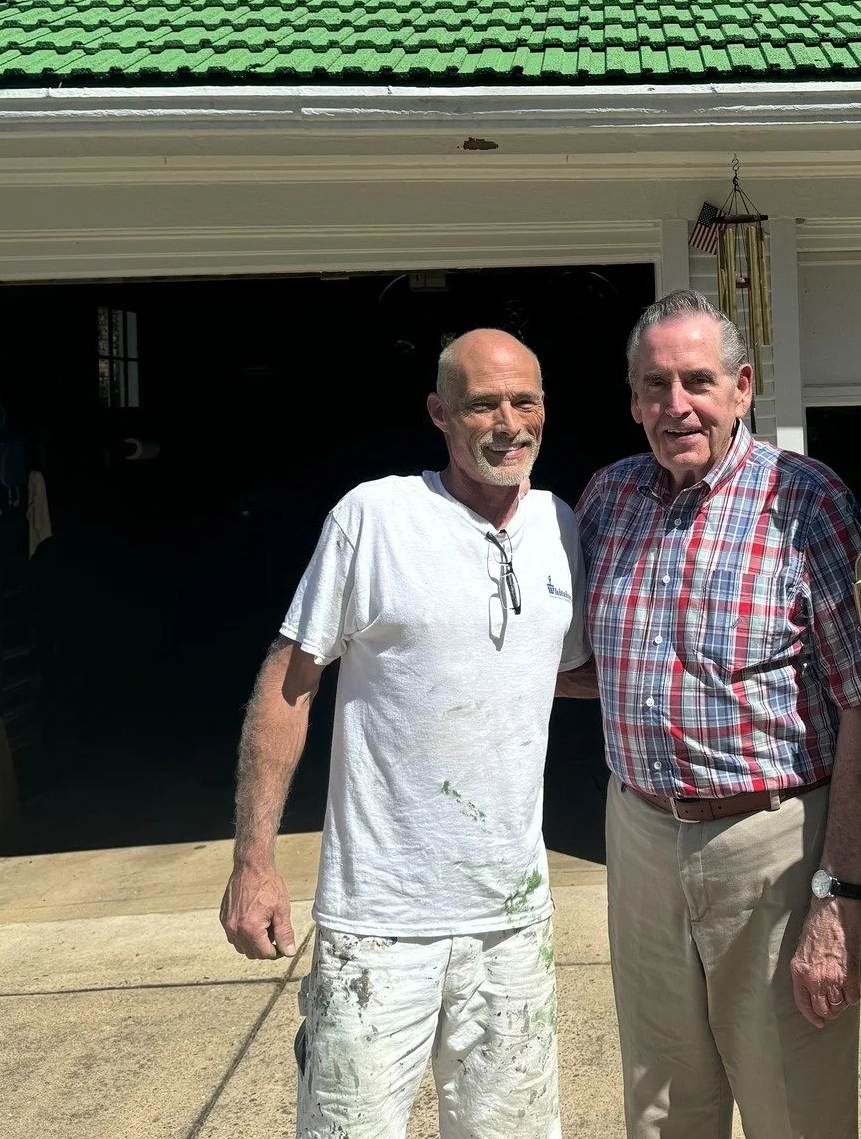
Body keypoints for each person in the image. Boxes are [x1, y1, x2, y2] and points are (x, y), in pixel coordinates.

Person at [219, 328, 589, 1139]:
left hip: (512, 920)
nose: (508, 422)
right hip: (379, 922)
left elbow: (560, 670)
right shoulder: (375, 517)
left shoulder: (562, 526)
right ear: (440, 413)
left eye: (524, 400)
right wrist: (254, 863)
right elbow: (290, 683)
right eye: (483, 403)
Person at [572, 289, 861, 1139]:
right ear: (633, 398)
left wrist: (840, 894)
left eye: (699, 381)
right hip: (639, 833)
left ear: (743, 388)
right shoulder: (606, 501)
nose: (677, 406)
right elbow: (588, 665)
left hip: (773, 843)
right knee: (664, 1101)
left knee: (797, 1104)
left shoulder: (806, 501)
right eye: (655, 385)